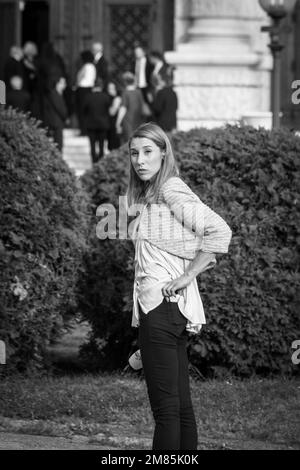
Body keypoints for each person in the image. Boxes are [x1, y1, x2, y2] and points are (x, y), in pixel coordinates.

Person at [126, 122, 232, 450]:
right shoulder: (151, 194)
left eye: (147, 152)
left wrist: (186, 277)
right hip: (167, 311)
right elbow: (193, 247)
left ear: (163, 153)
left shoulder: (171, 189)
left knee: (167, 411)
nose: (140, 160)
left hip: (161, 308)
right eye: (134, 153)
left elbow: (220, 233)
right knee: (180, 408)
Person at [83, 77, 111, 163]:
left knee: (92, 146)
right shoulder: (106, 97)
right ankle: (100, 163)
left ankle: (93, 163)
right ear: (101, 86)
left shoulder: (88, 97)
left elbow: (84, 110)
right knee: (102, 146)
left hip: (91, 124)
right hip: (102, 124)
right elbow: (108, 110)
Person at [116, 72, 145, 143]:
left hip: (128, 121)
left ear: (125, 82)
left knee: (128, 142)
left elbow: (123, 109)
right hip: (138, 120)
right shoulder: (139, 92)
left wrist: (118, 122)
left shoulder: (125, 93)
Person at [43, 76, 68, 151]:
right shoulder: (54, 94)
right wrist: (65, 117)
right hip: (55, 123)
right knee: (58, 145)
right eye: (62, 83)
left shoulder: (57, 94)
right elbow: (60, 109)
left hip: (57, 122)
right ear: (57, 84)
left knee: (59, 145)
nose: (64, 85)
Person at [76, 50, 97, 135]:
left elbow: (79, 78)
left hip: (82, 90)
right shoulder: (93, 66)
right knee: (88, 111)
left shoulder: (86, 66)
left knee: (81, 111)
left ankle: (83, 130)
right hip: (90, 89)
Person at [106, 80, 122, 151]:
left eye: (112, 88)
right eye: (109, 88)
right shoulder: (108, 97)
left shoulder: (117, 98)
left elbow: (112, 112)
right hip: (109, 123)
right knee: (110, 143)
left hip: (114, 122)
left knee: (114, 143)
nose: (110, 90)